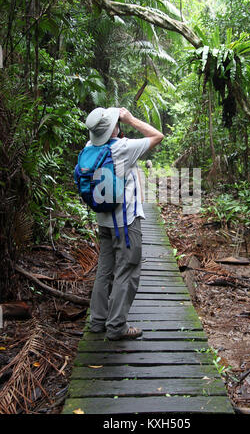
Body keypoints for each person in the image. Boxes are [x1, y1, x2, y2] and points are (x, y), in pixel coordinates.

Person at [86, 106, 164, 340]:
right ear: (114, 128)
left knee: (105, 270)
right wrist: (130, 119)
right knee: (127, 269)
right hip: (126, 224)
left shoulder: (89, 148)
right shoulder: (122, 148)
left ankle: (98, 320)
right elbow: (157, 136)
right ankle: (117, 325)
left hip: (104, 222)